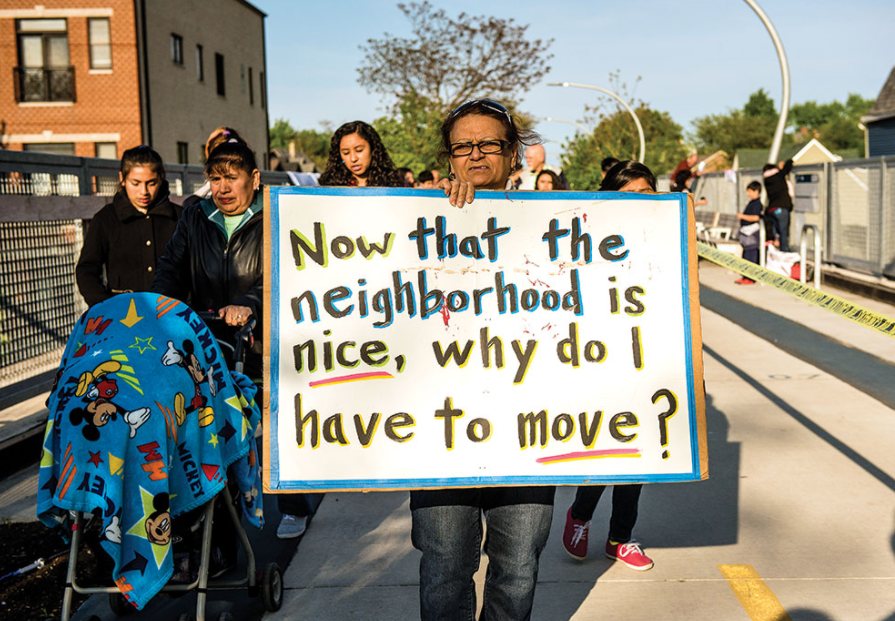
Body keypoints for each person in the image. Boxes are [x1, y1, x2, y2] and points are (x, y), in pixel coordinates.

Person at [412, 98, 554, 621]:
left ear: (513, 153)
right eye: (462, 147)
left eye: (488, 144)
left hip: (530, 430)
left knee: (517, 567)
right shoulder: (416, 218)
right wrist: (421, 210)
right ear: (448, 158)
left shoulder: (555, 223)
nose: (475, 156)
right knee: (445, 566)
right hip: (438, 433)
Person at [562, 159, 656, 572]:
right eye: (628, 194)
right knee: (603, 448)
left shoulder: (665, 236)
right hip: (602, 357)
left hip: (648, 356)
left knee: (637, 455)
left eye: (647, 193)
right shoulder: (587, 238)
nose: (639, 201)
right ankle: (580, 515)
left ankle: (621, 537)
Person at [77, 146, 182, 307]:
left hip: (172, 315)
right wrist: (104, 307)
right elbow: (87, 270)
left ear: (162, 178)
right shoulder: (106, 219)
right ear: (122, 179)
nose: (143, 191)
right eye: (136, 183)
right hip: (122, 316)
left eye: (151, 183)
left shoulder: (180, 218)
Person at [318, 121, 402, 188]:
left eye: (359, 150)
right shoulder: (328, 187)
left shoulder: (393, 185)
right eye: (346, 153)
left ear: (373, 150)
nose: (353, 159)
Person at [182, 126, 248, 209]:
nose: (224, 189)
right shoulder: (194, 206)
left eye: (232, 178)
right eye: (217, 179)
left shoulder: (193, 204)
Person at [735, 181, 763, 285]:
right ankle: (744, 276)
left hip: (752, 233)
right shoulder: (751, 202)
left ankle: (750, 278)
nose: (748, 194)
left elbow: (756, 217)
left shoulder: (757, 204)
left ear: (756, 191)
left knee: (751, 255)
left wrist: (742, 216)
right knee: (745, 254)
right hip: (746, 233)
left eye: (750, 191)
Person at [763, 159, 794, 251]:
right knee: (784, 232)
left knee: (776, 233)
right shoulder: (778, 176)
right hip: (781, 208)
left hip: (771, 209)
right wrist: (784, 166)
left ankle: (774, 251)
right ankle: (784, 251)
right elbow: (788, 165)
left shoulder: (766, 180)